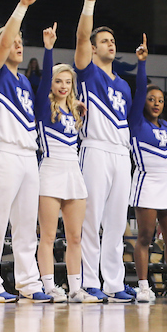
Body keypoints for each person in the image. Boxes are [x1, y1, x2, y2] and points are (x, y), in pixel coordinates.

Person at [0, 0, 50, 302]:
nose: (18, 44)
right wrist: (22, 7)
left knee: (25, 227)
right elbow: (5, 41)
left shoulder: (24, 81)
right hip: (1, 152)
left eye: (22, 40)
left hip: (27, 156)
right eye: (13, 41)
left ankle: (29, 282)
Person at [75, 0, 134, 302]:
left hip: (120, 154)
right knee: (92, 219)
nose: (110, 44)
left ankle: (114, 282)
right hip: (94, 149)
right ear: (94, 49)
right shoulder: (88, 71)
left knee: (116, 223)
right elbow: (82, 37)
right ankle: (88, 280)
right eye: (104, 41)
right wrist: (90, 2)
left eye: (113, 41)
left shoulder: (124, 85)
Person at [129, 33, 167, 303]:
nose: (156, 103)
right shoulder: (136, 123)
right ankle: (143, 287)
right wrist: (142, 64)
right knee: (144, 237)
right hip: (146, 183)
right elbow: (140, 90)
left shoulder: (165, 127)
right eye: (152, 98)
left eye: (161, 100)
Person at [37, 22, 96, 302]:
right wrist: (49, 49)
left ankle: (75, 288)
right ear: (51, 83)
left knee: (75, 237)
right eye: (58, 80)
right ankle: (49, 286)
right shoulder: (43, 106)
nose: (63, 86)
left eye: (67, 82)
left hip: (74, 172)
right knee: (48, 236)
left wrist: (79, 111)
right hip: (49, 170)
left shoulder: (75, 111)